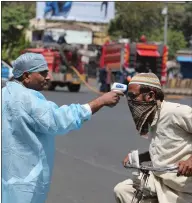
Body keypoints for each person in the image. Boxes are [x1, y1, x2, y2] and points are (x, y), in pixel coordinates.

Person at [2, 53, 123, 203]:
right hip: (24, 183)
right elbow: (60, 120)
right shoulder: (28, 100)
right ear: (26, 76)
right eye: (43, 73)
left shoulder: (5, 94)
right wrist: (100, 101)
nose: (48, 77)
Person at [114, 73, 192, 203]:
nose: (130, 101)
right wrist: (139, 157)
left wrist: (190, 161)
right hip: (158, 181)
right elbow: (163, 148)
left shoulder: (176, 112)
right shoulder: (152, 116)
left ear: (150, 96)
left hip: (182, 188)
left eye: (133, 96)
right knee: (123, 190)